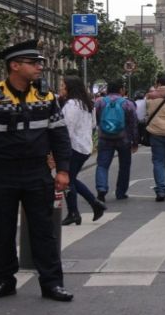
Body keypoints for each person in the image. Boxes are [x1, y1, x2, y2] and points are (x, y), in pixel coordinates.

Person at [0, 40, 73, 301]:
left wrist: (63, 170)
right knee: (1, 231)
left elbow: (60, 137)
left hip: (36, 172)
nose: (39, 67)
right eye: (33, 63)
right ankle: (3, 281)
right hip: (1, 173)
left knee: (44, 231)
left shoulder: (46, 97)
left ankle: (52, 284)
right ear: (14, 65)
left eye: (40, 63)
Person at [60, 76, 106, 224]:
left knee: (68, 180)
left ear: (70, 88)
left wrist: (60, 150)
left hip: (74, 147)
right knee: (70, 179)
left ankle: (83, 209)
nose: (61, 88)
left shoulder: (72, 105)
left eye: (63, 85)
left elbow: (67, 129)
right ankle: (83, 209)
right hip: (84, 146)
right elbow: (93, 124)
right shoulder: (87, 104)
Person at [94, 80, 138, 202]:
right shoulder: (127, 103)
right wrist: (135, 141)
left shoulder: (99, 102)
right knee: (124, 166)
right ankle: (121, 192)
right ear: (121, 90)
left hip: (104, 138)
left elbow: (95, 119)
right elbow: (134, 123)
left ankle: (101, 188)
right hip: (123, 139)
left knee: (102, 165)